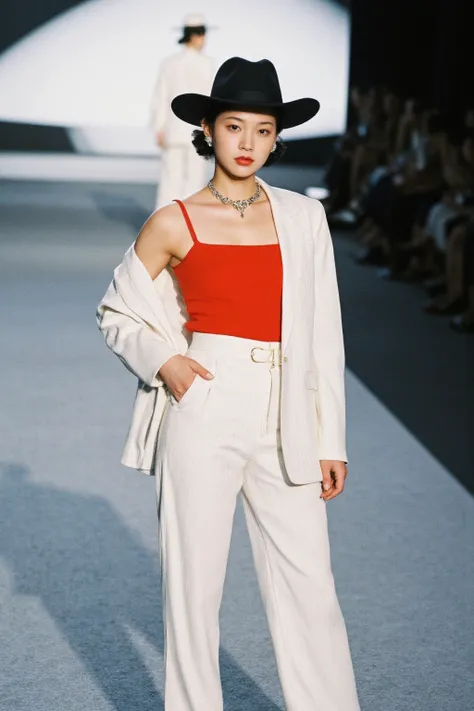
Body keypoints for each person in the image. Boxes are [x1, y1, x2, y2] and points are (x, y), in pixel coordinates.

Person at [97, 57, 361, 711]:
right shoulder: (174, 220)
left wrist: (333, 438)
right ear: (209, 130)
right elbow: (116, 308)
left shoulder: (304, 218)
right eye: (235, 125)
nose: (248, 142)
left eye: (264, 129)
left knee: (310, 585)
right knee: (193, 589)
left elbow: (325, 331)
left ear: (276, 138)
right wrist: (167, 361)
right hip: (205, 402)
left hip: (287, 412)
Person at [150, 13, 214, 208]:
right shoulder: (207, 64)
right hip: (198, 129)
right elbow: (210, 99)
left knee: (170, 180)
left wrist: (159, 127)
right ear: (197, 36)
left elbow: (160, 97)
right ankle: (188, 227)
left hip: (174, 130)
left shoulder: (170, 63)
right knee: (194, 181)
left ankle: (163, 225)